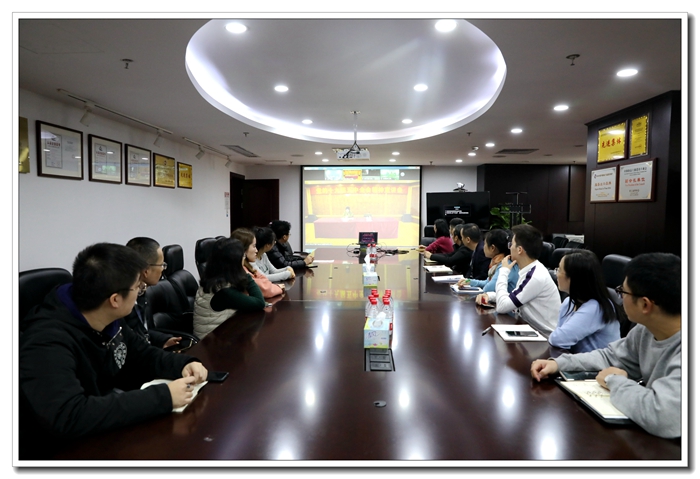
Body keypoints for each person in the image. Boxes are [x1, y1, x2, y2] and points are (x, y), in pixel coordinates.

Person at [19, 243, 208, 459]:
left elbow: (140, 353)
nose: (141, 292)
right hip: (60, 451)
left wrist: (184, 364)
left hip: (103, 426)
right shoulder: (45, 343)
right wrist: (163, 397)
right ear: (115, 300)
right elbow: (69, 416)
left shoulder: (107, 317)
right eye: (138, 287)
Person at [531, 253, 681, 439]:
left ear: (645, 304)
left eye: (623, 292)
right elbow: (610, 356)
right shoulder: (645, 330)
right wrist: (559, 363)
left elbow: (663, 416)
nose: (620, 297)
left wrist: (614, 380)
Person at [476, 224, 560, 333]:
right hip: (528, 329)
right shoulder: (528, 269)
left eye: (511, 244)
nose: (509, 248)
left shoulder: (535, 276)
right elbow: (512, 297)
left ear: (519, 250)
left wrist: (504, 271)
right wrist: (490, 296)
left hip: (543, 336)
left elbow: (502, 307)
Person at [548, 249, 621, 353]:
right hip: (576, 359)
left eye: (559, 270)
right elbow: (557, 337)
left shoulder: (596, 308)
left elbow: (557, 339)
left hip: (598, 363)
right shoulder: (569, 301)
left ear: (574, 278)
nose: (556, 274)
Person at [193, 237, 266, 338]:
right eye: (243, 256)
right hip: (210, 343)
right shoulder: (224, 292)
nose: (244, 259)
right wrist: (245, 274)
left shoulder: (213, 278)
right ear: (234, 262)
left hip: (220, 335)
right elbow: (260, 302)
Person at [122, 237, 180, 349]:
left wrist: (163, 340)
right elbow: (131, 343)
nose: (163, 269)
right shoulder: (123, 303)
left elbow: (142, 332)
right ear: (146, 271)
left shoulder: (141, 292)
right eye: (161, 265)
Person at [457, 229, 519, 293]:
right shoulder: (498, 262)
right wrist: (469, 281)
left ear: (492, 248)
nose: (483, 247)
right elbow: (487, 282)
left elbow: (488, 288)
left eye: (485, 244)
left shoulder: (506, 265)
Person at [231, 227, 285, 298]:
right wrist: (278, 287)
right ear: (243, 249)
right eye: (254, 246)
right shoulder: (241, 270)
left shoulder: (248, 265)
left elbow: (264, 279)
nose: (256, 250)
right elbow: (264, 289)